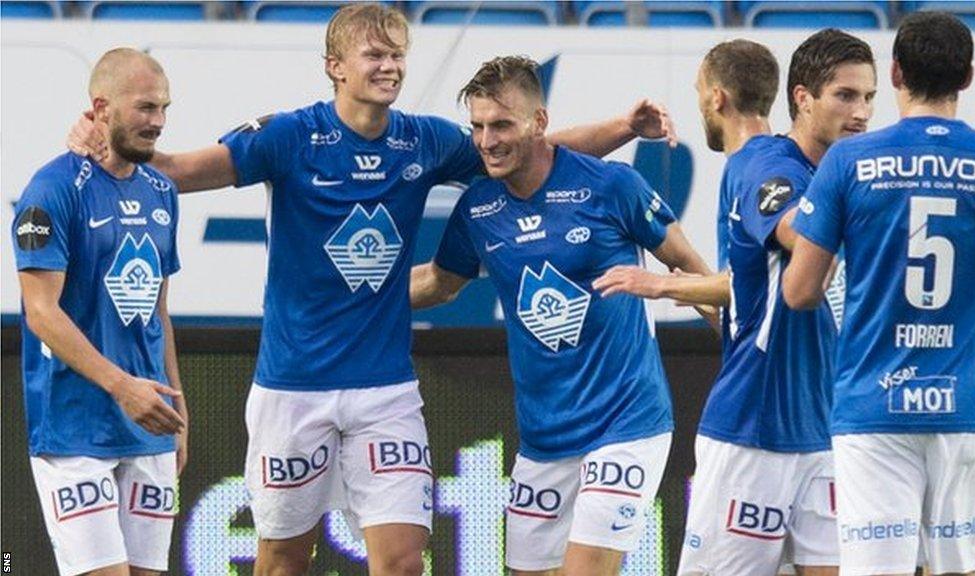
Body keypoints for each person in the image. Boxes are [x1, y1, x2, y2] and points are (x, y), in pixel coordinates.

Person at [67, 5, 678, 575]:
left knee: (405, 560)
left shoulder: (424, 140)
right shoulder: (288, 137)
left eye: (397, 56)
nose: (389, 67)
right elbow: (174, 172)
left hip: (385, 389)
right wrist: (105, 138)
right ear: (334, 67)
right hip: (292, 388)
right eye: (374, 56)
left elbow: (527, 149)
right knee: (282, 559)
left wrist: (624, 126)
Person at [409, 55, 714, 576]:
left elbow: (692, 270)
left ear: (539, 122)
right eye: (478, 126)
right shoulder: (478, 208)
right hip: (544, 440)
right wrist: (347, 298)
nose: (487, 141)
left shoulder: (612, 186)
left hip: (626, 422)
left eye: (502, 124)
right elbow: (440, 283)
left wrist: (745, 339)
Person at [594, 31, 877, 575]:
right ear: (800, 97)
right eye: (846, 96)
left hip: (824, 430)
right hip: (756, 429)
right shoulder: (767, 167)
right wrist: (669, 285)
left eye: (867, 98)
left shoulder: (796, 170)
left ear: (715, 97)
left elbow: (763, 272)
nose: (861, 112)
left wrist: (668, 285)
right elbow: (792, 241)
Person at [783, 12, 975, 576]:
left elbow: (799, 292)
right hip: (969, 404)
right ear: (967, 77)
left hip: (875, 404)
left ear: (893, 72)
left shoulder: (849, 160)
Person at [12, 48, 187, 576]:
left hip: (150, 424)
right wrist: (121, 386)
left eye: (164, 109)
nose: (157, 122)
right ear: (101, 107)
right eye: (145, 108)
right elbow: (40, 312)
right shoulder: (50, 190)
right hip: (73, 430)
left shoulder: (163, 190)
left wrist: (180, 412)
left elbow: (159, 311)